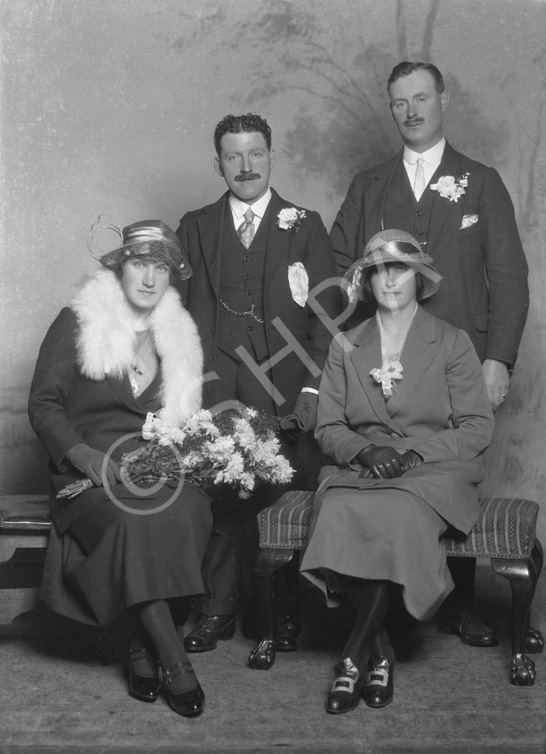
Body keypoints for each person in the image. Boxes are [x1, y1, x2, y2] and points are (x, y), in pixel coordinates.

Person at [329, 61, 529, 647]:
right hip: (387, 363)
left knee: (448, 466)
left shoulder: (481, 181)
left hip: (460, 358)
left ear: (444, 98)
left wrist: (499, 358)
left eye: (421, 98)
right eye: (399, 102)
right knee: (392, 463)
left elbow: (509, 279)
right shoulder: (369, 185)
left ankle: (456, 602)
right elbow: (342, 267)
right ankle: (385, 598)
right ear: (390, 108)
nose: (411, 111)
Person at [300, 229, 494, 714]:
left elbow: (476, 426)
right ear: (366, 281)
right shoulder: (345, 345)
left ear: (420, 277)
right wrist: (365, 453)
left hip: (434, 467)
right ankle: (380, 653)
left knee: (398, 508)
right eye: (378, 270)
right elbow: (328, 426)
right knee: (341, 504)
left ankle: (351, 656)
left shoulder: (451, 341)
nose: (389, 280)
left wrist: (414, 457)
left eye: (400, 269)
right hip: (362, 466)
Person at [28, 219, 212, 718]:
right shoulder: (77, 321)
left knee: (190, 511)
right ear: (119, 267)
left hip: (156, 467)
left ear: (171, 276)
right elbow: (44, 404)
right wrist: (85, 458)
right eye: (139, 264)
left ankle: (138, 646)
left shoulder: (179, 337)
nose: (149, 279)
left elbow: (185, 422)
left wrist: (177, 455)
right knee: (135, 525)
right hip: (88, 473)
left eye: (160, 267)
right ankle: (174, 660)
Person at [175, 113, 341, 653]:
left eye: (255, 154)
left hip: (284, 386)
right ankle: (217, 609)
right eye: (232, 156)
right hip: (217, 382)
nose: (245, 166)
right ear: (218, 162)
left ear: (271, 156)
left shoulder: (305, 224)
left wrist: (313, 390)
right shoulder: (196, 225)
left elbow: (324, 321)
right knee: (222, 495)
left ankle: (282, 608)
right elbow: (175, 316)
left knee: (283, 495)